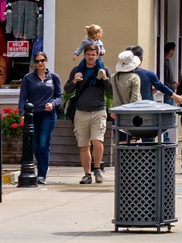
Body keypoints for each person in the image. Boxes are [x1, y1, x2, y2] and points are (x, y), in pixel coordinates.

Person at [64, 44, 114, 185]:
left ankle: (97, 168)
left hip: (98, 110)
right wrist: (74, 80)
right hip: (81, 111)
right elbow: (67, 90)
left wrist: (104, 78)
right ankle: (87, 174)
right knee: (83, 145)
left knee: (97, 141)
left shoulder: (104, 70)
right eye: (88, 54)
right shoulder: (77, 70)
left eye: (93, 55)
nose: (90, 57)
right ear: (84, 55)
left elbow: (111, 92)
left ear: (97, 55)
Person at [17, 52, 60, 186]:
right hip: (33, 115)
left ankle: (42, 174)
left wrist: (52, 104)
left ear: (46, 61)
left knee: (43, 144)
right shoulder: (28, 78)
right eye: (37, 61)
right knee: (34, 145)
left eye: (42, 60)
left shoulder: (53, 77)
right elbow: (23, 97)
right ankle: (39, 168)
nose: (40, 63)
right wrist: (22, 113)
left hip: (48, 115)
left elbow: (59, 96)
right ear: (34, 63)